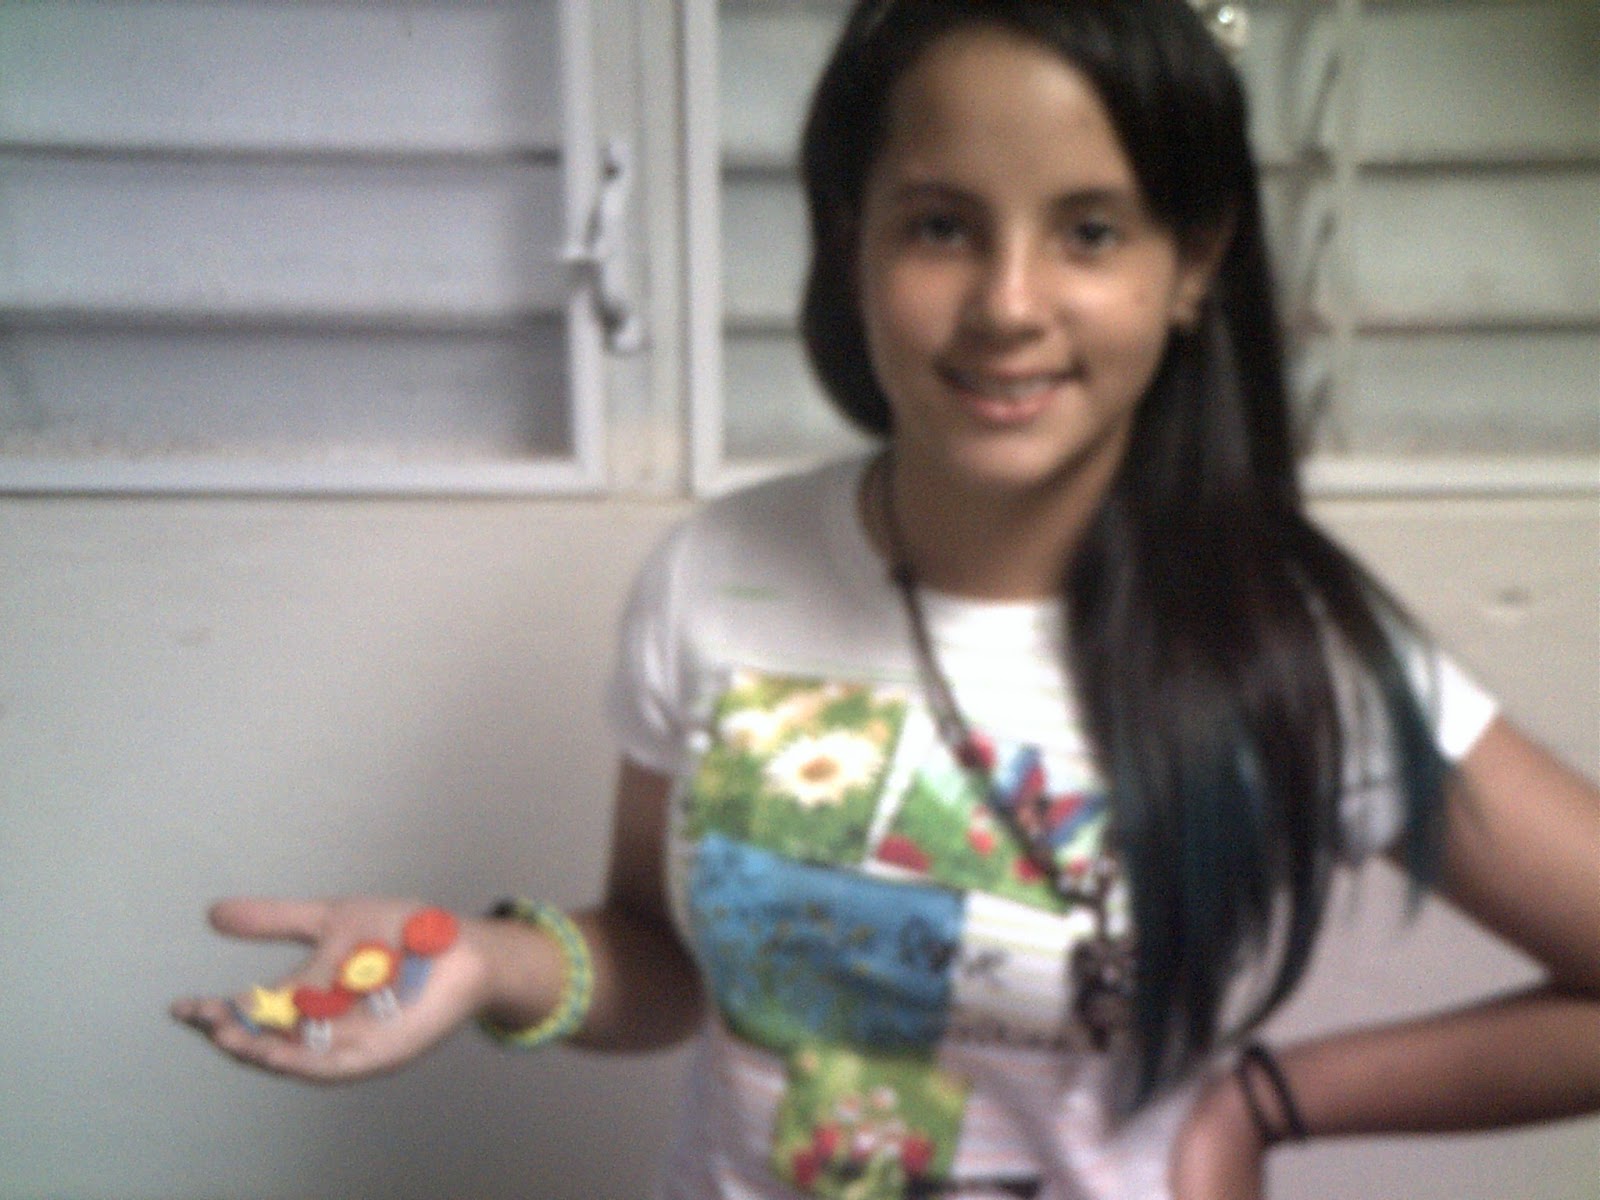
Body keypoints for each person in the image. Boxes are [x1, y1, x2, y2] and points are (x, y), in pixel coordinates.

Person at [172, 2, 1600, 1196]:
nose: (1009, 303)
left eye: (1090, 231)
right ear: (852, 238)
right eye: (941, 227)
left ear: (1195, 261)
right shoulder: (715, 579)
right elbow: (664, 960)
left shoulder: (1288, 641)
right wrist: (484, 963)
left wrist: (1267, 1104)